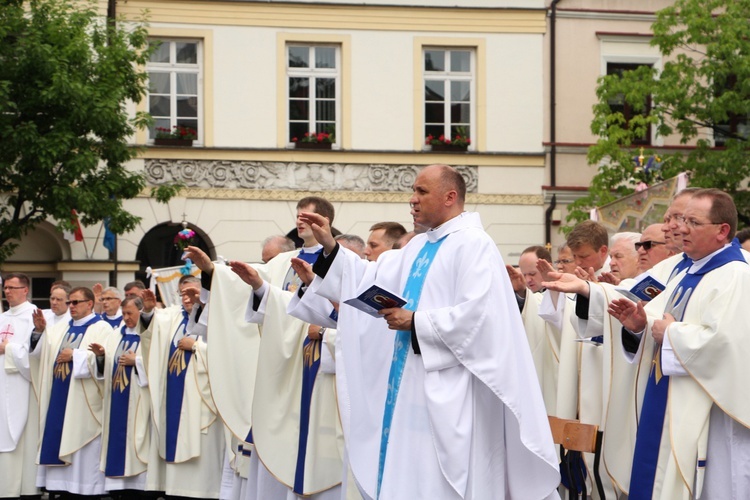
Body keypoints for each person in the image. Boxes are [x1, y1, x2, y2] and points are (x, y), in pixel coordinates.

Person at [295, 165, 559, 499]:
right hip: (406, 390)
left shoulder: (474, 245)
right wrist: (331, 246)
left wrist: (416, 322)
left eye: (422, 192)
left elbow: (481, 318)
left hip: (452, 394)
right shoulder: (418, 246)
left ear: (450, 197)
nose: (412, 200)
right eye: (414, 191)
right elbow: (369, 278)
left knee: (438, 481)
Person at [608, 188, 750, 499]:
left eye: (694, 222)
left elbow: (727, 344)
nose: (682, 228)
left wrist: (672, 335)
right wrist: (639, 327)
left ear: (722, 231)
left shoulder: (735, 275)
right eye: (682, 220)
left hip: (712, 415)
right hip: (668, 401)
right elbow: (656, 323)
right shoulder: (685, 271)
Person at [222, 196, 343, 499]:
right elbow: (272, 305)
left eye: (308, 217)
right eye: (298, 216)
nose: (300, 221)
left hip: (319, 364)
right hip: (284, 363)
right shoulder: (280, 263)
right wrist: (247, 283)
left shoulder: (340, 260)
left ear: (324, 222)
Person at [146, 275, 225, 498]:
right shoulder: (171, 318)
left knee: (203, 457)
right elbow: (149, 335)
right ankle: (174, 491)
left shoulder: (217, 316)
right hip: (174, 395)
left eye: (193, 293)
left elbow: (228, 355)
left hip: (203, 400)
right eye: (183, 294)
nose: (187, 298)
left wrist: (197, 346)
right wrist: (148, 313)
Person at [35, 287, 113, 497]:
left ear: (89, 304)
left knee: (82, 448)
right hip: (59, 397)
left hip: (83, 401)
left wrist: (76, 356)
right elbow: (43, 355)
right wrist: (40, 332)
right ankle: (61, 489)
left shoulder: (102, 328)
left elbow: (106, 362)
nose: (71, 307)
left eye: (76, 302)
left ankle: (86, 490)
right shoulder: (60, 328)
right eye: (70, 303)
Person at [88, 294, 155, 499]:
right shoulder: (116, 335)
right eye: (124, 313)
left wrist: (139, 362)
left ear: (141, 312)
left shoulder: (150, 334)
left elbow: (158, 363)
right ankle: (119, 488)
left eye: (130, 313)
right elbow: (105, 368)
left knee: (139, 439)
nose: (125, 318)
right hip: (117, 398)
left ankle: (141, 485)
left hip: (140, 400)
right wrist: (100, 357)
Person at [0, 273, 41, 499]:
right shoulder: (2, 317)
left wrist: (10, 349)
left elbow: (35, 356)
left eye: (12, 288)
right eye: (5, 288)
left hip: (23, 388)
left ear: (25, 290)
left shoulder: (34, 317)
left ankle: (24, 489)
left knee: (24, 437)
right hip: (2, 384)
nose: (7, 292)